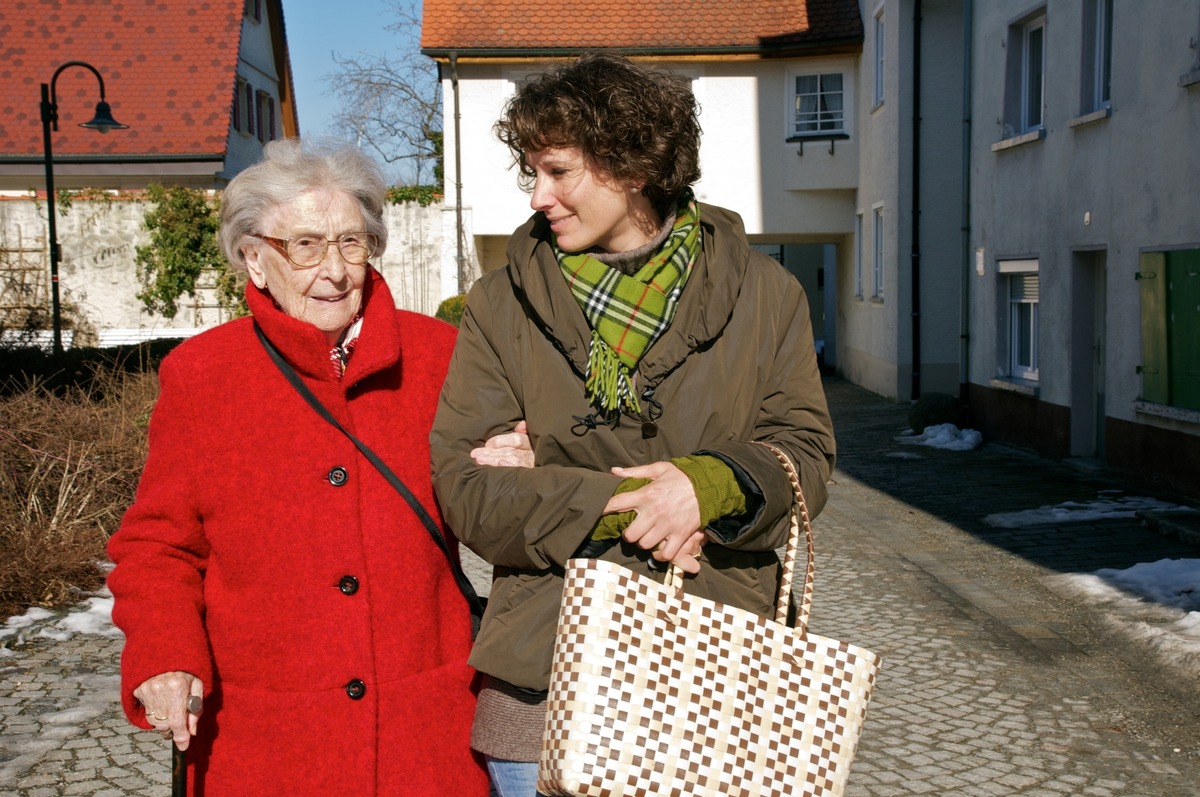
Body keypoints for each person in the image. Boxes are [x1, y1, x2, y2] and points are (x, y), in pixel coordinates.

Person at [429, 51, 836, 796]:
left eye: (558, 171)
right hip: (544, 671)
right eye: (532, 173)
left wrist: (706, 485)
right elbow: (468, 489)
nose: (538, 196)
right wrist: (642, 504)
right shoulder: (499, 304)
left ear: (632, 165)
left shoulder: (767, 293)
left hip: (718, 666)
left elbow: (804, 454)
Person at [107, 139, 488, 796]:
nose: (334, 270)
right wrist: (166, 651)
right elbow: (158, 544)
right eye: (305, 246)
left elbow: (500, 506)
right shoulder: (203, 377)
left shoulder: (441, 358)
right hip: (266, 744)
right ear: (254, 258)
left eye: (350, 242)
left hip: (424, 736)